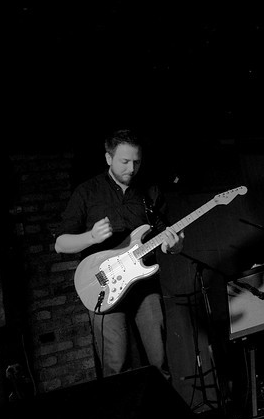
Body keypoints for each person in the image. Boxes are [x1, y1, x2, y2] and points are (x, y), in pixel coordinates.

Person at [55, 129, 184, 380]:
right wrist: (91, 237)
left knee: (159, 362)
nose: (131, 168)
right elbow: (60, 243)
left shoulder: (149, 192)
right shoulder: (87, 192)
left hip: (145, 286)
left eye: (137, 162)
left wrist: (174, 245)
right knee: (116, 367)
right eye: (124, 161)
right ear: (108, 158)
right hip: (104, 287)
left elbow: (165, 237)